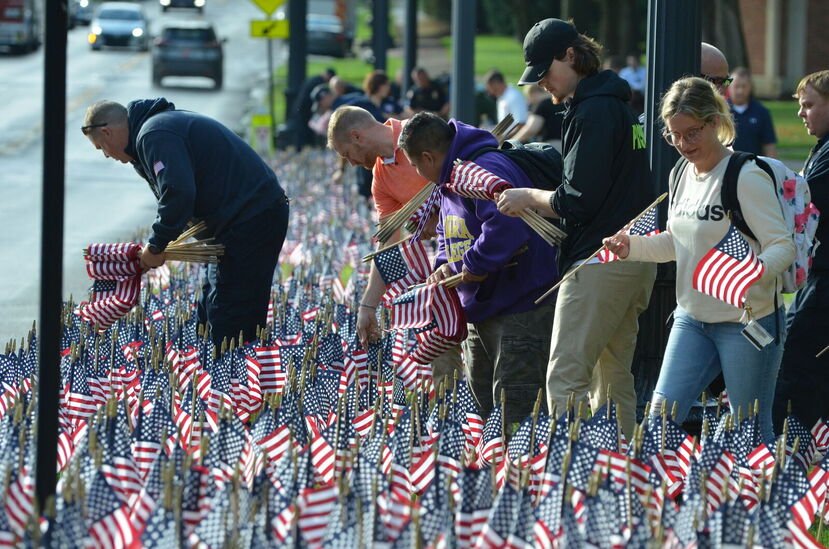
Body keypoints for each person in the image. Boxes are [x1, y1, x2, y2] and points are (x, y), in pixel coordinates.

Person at [604, 77, 794, 443]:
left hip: (747, 322)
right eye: (673, 135)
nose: (682, 145)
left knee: (750, 434)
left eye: (691, 133)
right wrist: (633, 247)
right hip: (691, 319)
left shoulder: (745, 175)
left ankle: (760, 498)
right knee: (657, 427)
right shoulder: (679, 174)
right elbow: (678, 243)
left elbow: (781, 247)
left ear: (715, 121)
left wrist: (751, 274)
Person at [495, 18, 656, 437]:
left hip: (599, 260)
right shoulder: (617, 104)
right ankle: (619, 473)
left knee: (565, 379)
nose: (543, 84)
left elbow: (577, 200)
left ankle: (574, 481)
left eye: (545, 72)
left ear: (570, 55)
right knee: (614, 381)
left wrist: (526, 196)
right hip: (633, 258)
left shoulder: (593, 110)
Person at [82, 99, 289, 347]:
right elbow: (179, 203)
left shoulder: (154, 135)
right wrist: (155, 249)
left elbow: (178, 193)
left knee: (230, 316)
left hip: (250, 219)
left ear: (107, 132)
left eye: (100, 147)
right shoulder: (152, 133)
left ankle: (234, 377)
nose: (106, 154)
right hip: (239, 221)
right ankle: (224, 370)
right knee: (211, 313)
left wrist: (156, 245)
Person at [398, 112, 558, 424]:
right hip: (480, 305)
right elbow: (449, 232)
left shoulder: (481, 169)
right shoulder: (449, 176)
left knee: (515, 407)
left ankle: (519, 471)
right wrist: (444, 266)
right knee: (485, 407)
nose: (419, 173)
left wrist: (473, 264)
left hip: (519, 305)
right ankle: (492, 469)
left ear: (428, 157)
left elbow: (506, 225)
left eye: (417, 166)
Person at [326, 106, 461, 384]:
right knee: (445, 369)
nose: (350, 164)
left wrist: (441, 216)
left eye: (346, 155)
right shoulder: (381, 178)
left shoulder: (421, 132)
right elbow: (387, 242)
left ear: (356, 136)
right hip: (442, 273)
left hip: (475, 260)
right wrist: (368, 306)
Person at [773, 70, 829, 430]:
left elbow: (804, 200)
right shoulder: (823, 146)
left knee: (794, 362)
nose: (800, 113)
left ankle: (784, 450)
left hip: (825, 281)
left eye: (809, 105)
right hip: (817, 275)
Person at [728, 67, 777, 157]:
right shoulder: (721, 111)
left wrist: (772, 168)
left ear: (750, 87)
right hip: (725, 165)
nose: (740, 91)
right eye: (736, 86)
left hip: (753, 166)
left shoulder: (762, 112)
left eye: (744, 86)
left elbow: (769, 145)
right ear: (729, 87)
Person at [512, 84, 565, 150]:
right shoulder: (561, 100)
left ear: (534, 92)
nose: (530, 101)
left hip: (552, 146)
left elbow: (531, 129)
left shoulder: (543, 104)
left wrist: (513, 142)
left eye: (529, 96)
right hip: (566, 145)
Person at [293, 67, 336, 149]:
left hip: (301, 107)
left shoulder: (314, 79)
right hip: (304, 108)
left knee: (302, 129)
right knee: (305, 129)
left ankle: (302, 147)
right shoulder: (318, 82)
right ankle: (304, 147)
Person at [483, 69, 529, 135]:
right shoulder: (501, 98)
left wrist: (504, 137)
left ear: (496, 83)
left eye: (490, 88)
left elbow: (521, 124)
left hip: (515, 142)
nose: (490, 92)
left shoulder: (514, 96)